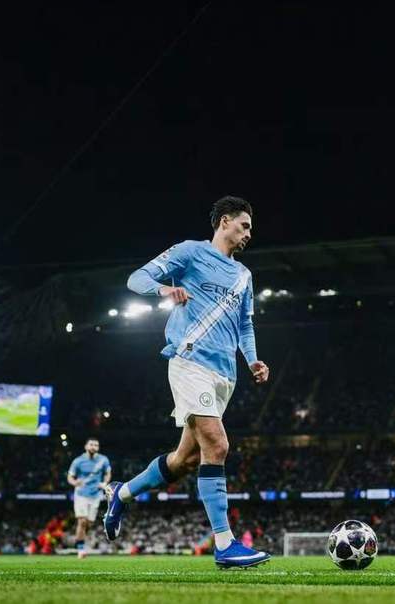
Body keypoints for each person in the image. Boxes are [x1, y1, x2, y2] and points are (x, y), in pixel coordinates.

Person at [103, 196, 271, 568]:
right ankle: (225, 544)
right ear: (224, 221)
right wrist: (164, 290)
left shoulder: (244, 276)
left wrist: (253, 360)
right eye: (244, 225)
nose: (248, 233)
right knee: (218, 444)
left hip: (225, 374)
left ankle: (122, 493)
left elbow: (245, 325)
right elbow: (137, 279)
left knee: (187, 459)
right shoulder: (191, 252)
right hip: (190, 361)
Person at [67, 437, 111, 558]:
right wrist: (74, 482)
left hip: (95, 495)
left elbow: (108, 473)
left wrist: (104, 483)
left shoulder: (103, 460)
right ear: (86, 446)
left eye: (96, 445)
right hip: (81, 494)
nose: (93, 447)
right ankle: (81, 549)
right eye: (91, 444)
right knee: (82, 521)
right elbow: (70, 477)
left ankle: (79, 540)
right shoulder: (78, 461)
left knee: (89, 523)